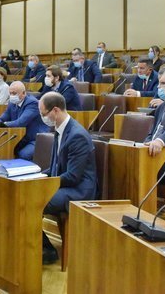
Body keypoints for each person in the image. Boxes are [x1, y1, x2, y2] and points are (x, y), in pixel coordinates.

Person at [40, 92, 97, 264]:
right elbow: (56, 167)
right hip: (64, 185)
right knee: (26, 194)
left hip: (79, 190)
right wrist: (37, 175)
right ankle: (40, 246)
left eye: (43, 114)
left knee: (34, 200)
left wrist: (44, 183)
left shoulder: (77, 135)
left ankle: (46, 250)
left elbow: (73, 177)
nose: (42, 118)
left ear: (55, 110)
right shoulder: (60, 130)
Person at [0, 81, 48, 160]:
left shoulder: (32, 103)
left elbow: (20, 123)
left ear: (24, 93)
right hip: (20, 138)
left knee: (22, 154)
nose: (12, 96)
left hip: (35, 139)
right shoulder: (12, 102)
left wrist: (2, 124)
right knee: (2, 149)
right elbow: (4, 117)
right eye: (10, 93)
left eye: (14, 93)